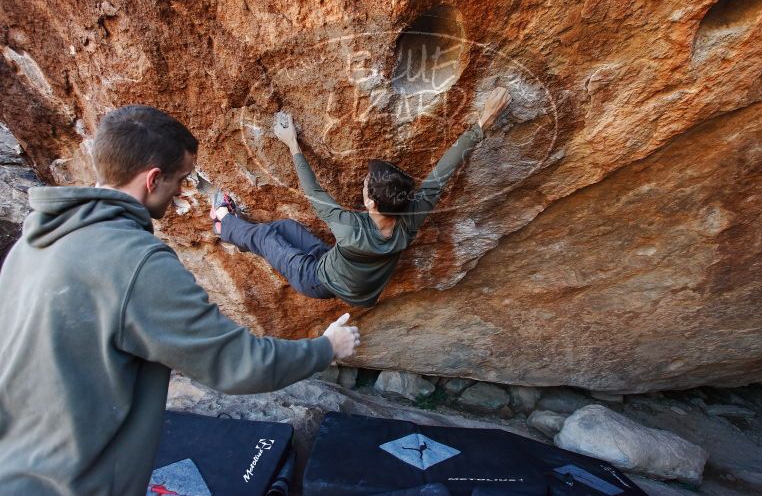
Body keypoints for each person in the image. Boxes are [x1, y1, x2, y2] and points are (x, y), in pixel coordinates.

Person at [0, 105, 360, 494]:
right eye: (181, 179)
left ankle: (230, 223)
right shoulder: (137, 263)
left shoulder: (32, 244)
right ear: (153, 179)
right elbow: (237, 363)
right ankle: (229, 223)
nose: (180, 193)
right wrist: (326, 348)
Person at [212, 87, 512, 307]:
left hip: (314, 279)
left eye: (366, 185)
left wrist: (291, 143)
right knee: (285, 228)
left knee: (266, 238)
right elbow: (442, 172)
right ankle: (242, 235)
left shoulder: (349, 228)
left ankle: (223, 223)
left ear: (370, 203)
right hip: (346, 277)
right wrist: (481, 124)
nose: (364, 184)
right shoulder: (411, 216)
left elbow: (314, 191)